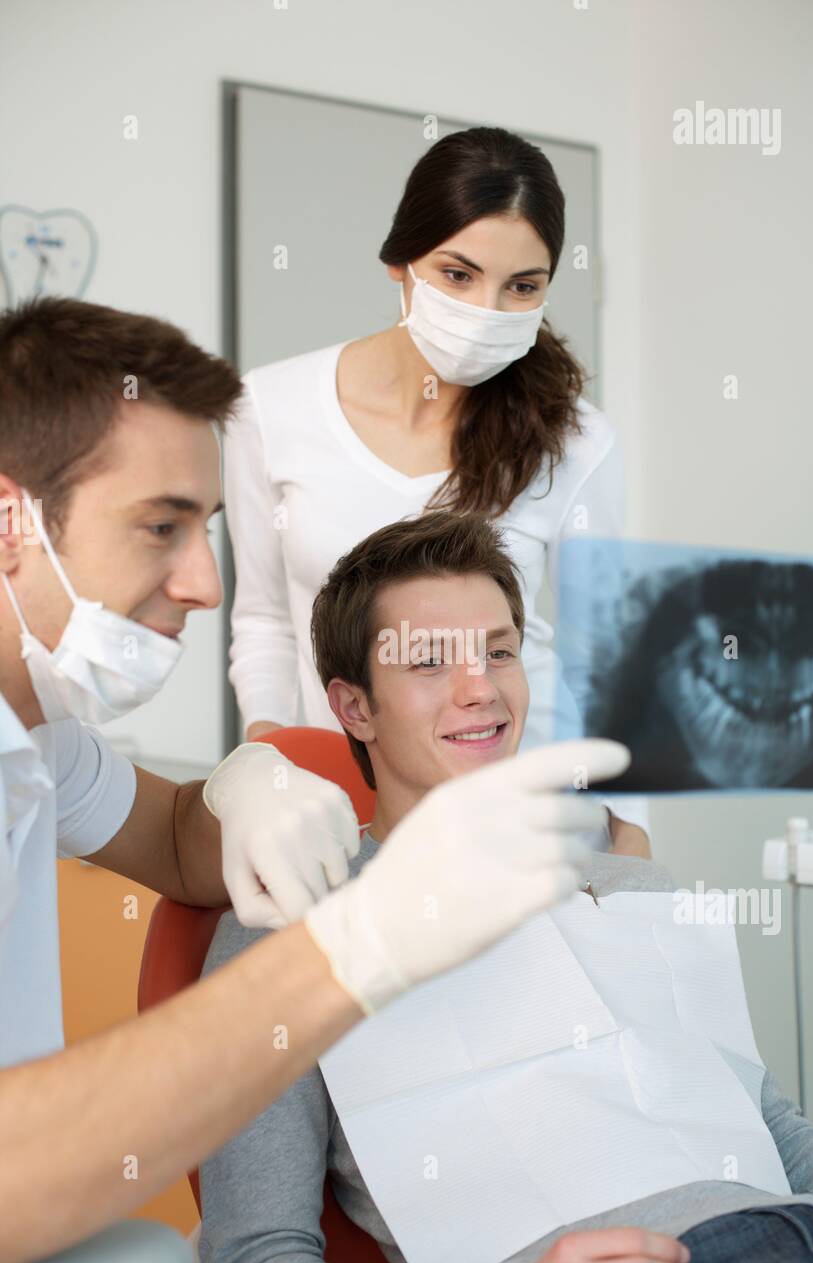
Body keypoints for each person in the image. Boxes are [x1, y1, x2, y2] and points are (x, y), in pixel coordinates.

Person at [0, 296, 627, 1263]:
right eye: (160, 526)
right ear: (11, 523)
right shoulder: (332, 923)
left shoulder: (42, 743)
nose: (206, 583)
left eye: (205, 528)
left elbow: (171, 835)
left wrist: (249, 778)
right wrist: (358, 945)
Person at [200, 511, 813, 1263]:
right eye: (427, 663)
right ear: (355, 708)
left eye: (499, 652)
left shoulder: (631, 886)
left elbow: (774, 1133)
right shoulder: (294, 922)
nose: (479, 688)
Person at [222, 124, 648, 856]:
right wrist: (272, 765)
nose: (487, 309)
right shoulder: (270, 409)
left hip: (526, 816)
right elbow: (264, 621)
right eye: (458, 274)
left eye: (522, 286)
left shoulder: (577, 441)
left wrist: (629, 830)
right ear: (400, 261)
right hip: (338, 809)